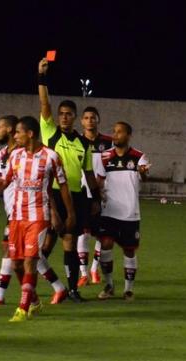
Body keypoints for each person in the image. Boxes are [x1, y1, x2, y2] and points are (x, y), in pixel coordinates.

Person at [0, 116, 75, 322]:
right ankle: (35, 301)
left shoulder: (51, 157)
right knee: (17, 265)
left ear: (29, 134)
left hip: (38, 217)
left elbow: (63, 186)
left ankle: (22, 308)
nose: (15, 136)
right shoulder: (15, 156)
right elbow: (3, 182)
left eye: (18, 132)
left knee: (30, 261)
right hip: (16, 217)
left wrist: (70, 213)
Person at [37, 57, 102, 302]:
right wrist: (41, 76)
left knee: (70, 243)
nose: (64, 117)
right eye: (61, 114)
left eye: (68, 114)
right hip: (50, 195)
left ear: (74, 117)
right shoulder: (50, 133)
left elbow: (88, 174)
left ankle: (72, 290)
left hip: (74, 197)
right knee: (45, 247)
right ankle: (43, 286)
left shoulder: (83, 143)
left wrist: (95, 198)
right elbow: (44, 103)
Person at [96, 122, 150, 301]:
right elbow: (99, 181)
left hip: (130, 213)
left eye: (119, 132)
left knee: (129, 251)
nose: (115, 135)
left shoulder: (139, 157)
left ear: (128, 135)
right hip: (109, 211)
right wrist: (97, 198)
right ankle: (109, 284)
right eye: (114, 132)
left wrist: (142, 172)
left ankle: (128, 290)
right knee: (105, 245)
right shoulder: (105, 157)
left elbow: (144, 175)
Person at [77, 106, 113, 287]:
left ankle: (94, 268)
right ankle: (83, 272)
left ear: (98, 120)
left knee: (102, 235)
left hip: (104, 193)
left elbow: (113, 165)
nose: (90, 120)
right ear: (82, 121)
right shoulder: (77, 141)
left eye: (93, 117)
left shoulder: (108, 142)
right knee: (83, 234)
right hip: (83, 193)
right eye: (86, 118)